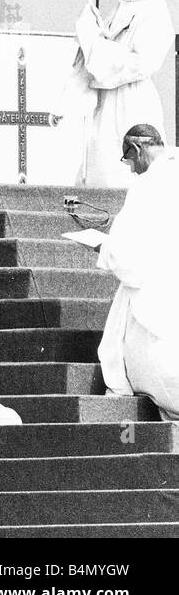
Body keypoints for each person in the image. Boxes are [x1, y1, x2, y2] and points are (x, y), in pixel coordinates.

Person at [65, 0, 175, 187]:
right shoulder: (122, 5)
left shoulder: (153, 7)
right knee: (99, 172)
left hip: (132, 101)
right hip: (108, 100)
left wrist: (98, 48)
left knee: (128, 176)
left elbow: (145, 62)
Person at [94, 124, 179, 419]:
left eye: (129, 160)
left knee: (151, 362)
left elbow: (125, 255)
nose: (131, 169)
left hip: (155, 291)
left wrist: (102, 248)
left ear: (138, 149)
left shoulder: (147, 186)